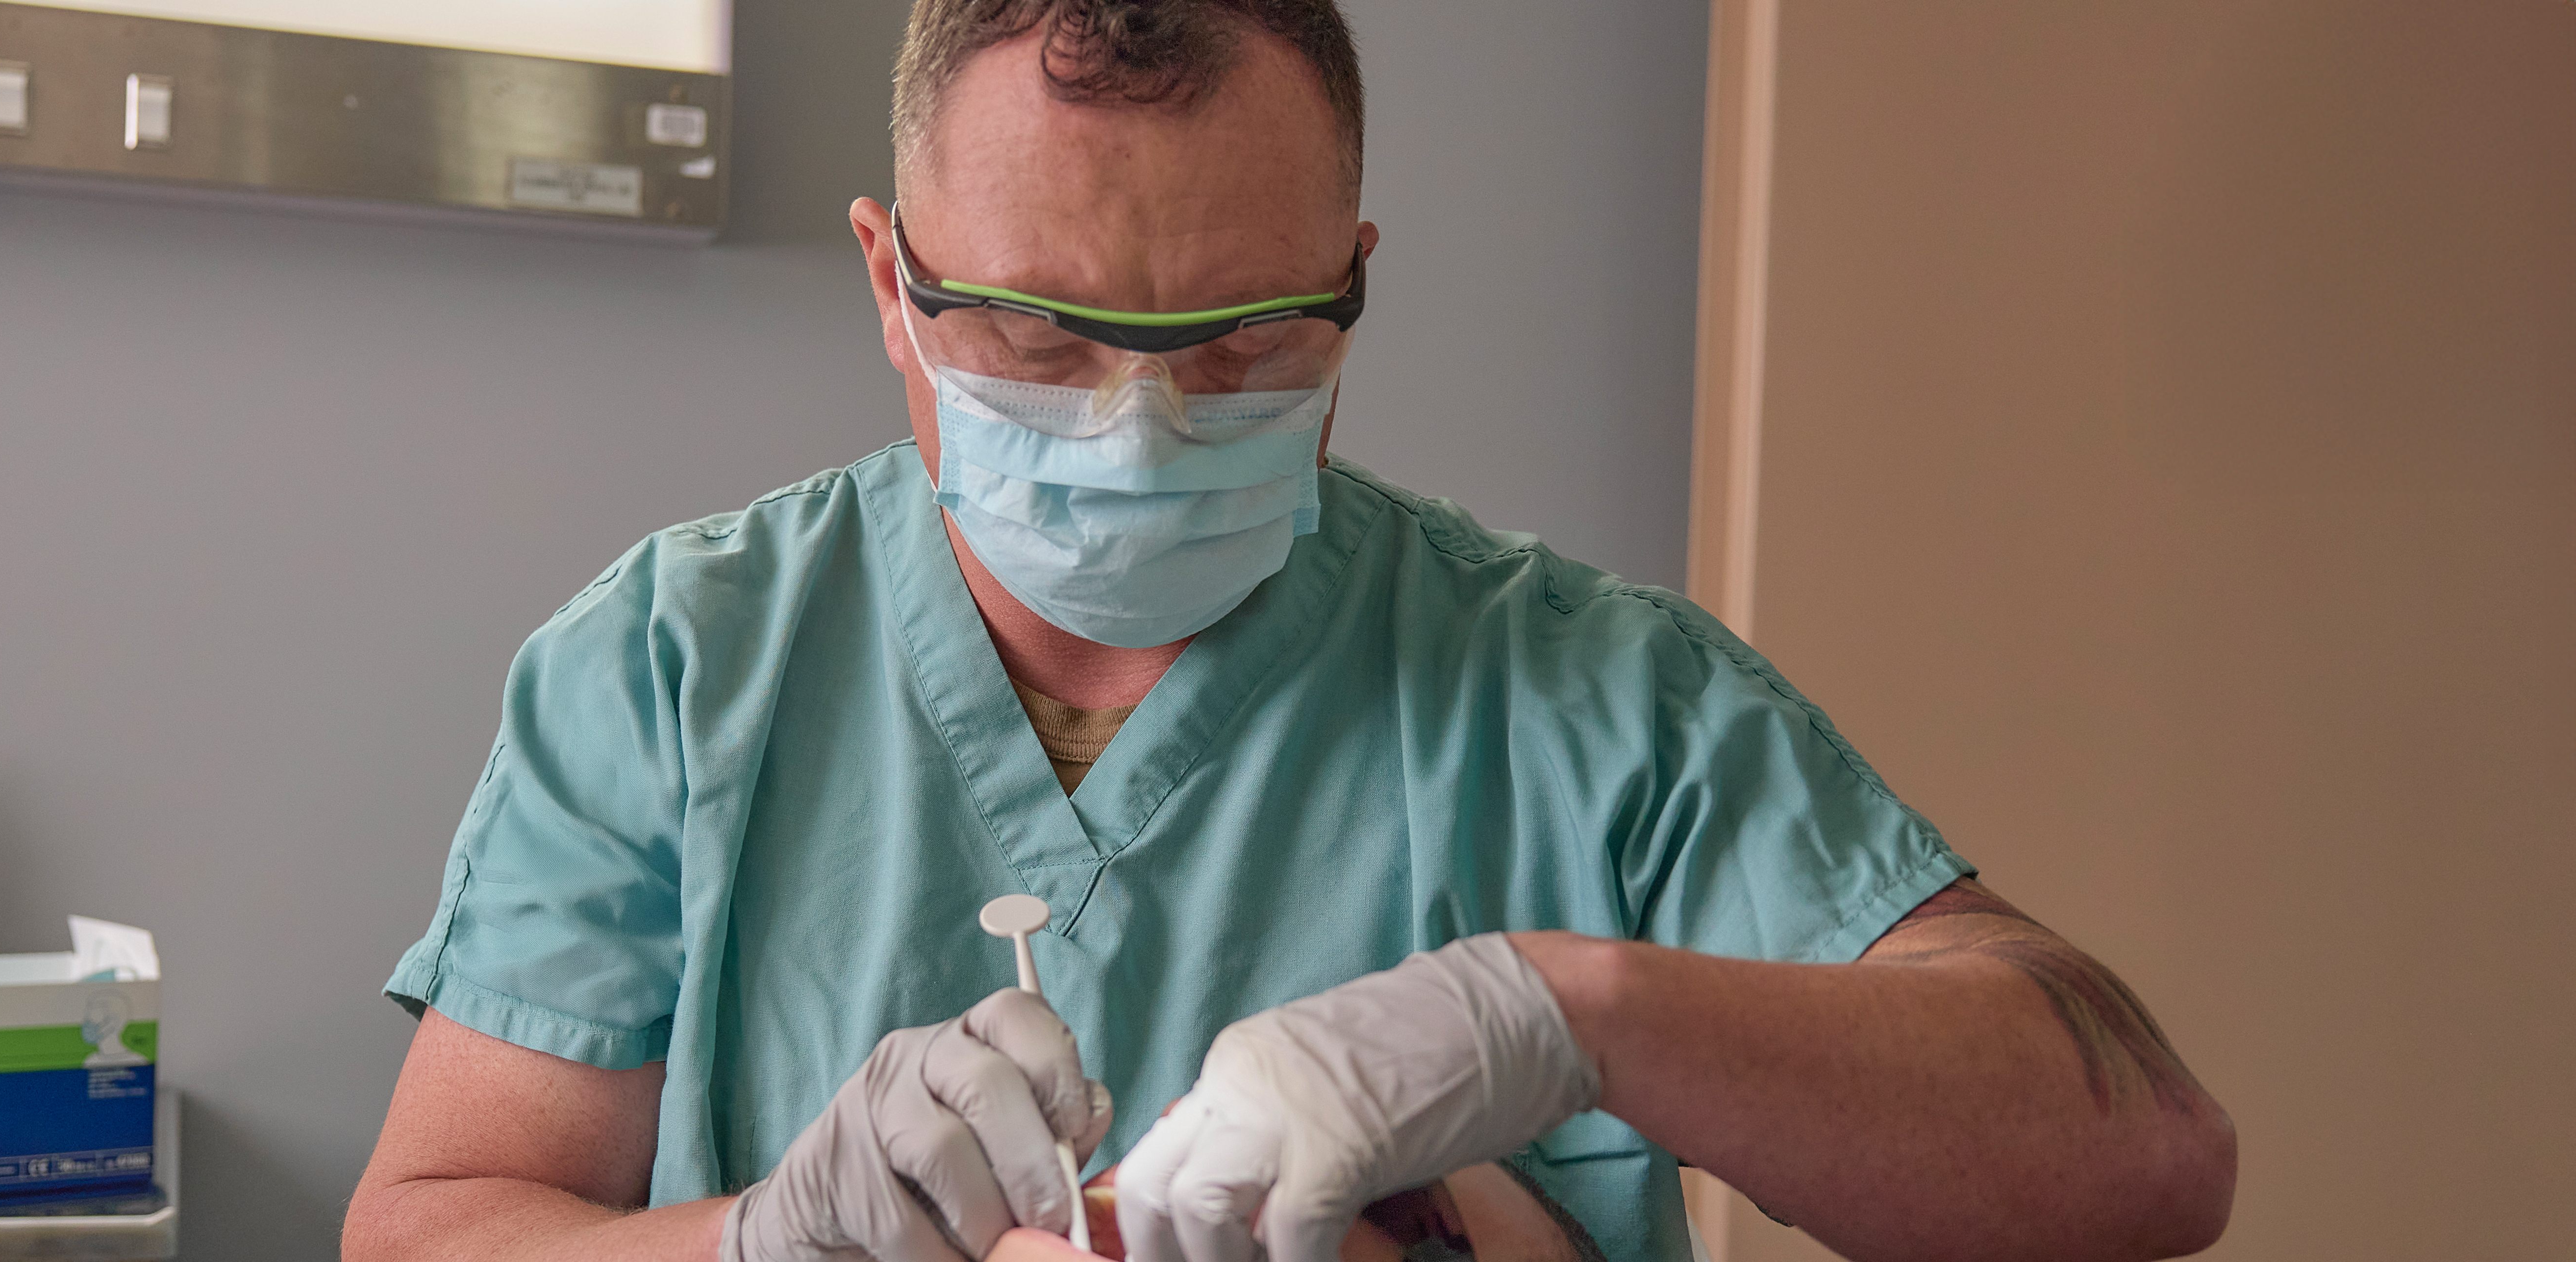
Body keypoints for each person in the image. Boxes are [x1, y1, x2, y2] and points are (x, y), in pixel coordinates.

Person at [343, 2, 2238, 1260]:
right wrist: (766, 1242)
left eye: (1243, 341)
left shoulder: (1594, 703)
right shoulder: (679, 667)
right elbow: (435, 1226)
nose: (1139, 427)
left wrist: (1555, 1019)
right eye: (1039, 337)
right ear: (890, 283)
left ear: (1351, 284)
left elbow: (2141, 1157)